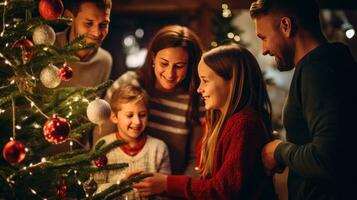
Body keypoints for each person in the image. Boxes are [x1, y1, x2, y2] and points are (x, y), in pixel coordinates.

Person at [129, 44, 278, 200]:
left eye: (205, 81)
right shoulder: (218, 120)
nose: (199, 89)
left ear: (231, 82)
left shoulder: (245, 124)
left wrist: (167, 183)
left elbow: (223, 190)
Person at [250, 0, 357, 199]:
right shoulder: (328, 63)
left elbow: (329, 158)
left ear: (286, 26)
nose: (264, 49)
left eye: (264, 37)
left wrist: (278, 151)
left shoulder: (318, 70)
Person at [97, 25, 204, 175]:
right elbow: (101, 142)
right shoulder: (128, 84)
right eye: (164, 64)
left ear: (190, 64)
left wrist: (174, 189)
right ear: (153, 57)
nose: (170, 73)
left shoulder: (196, 99)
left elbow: (196, 160)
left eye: (179, 66)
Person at [93, 84, 171, 199]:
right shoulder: (103, 147)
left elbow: (166, 192)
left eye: (142, 115)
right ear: (114, 117)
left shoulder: (159, 148)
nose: (137, 121)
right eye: (129, 115)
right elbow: (95, 192)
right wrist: (119, 185)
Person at [55, 0, 113, 87]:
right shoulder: (46, 48)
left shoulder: (104, 62)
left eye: (103, 24)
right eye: (89, 23)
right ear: (69, 18)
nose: (96, 33)